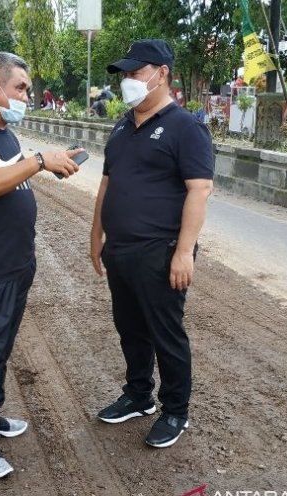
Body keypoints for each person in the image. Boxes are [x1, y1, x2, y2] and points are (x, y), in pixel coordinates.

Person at [0, 51, 84, 480]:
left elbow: (13, 179)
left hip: (16, 265)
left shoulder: (6, 134)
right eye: (20, 87)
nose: (27, 95)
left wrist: (48, 166)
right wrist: (40, 160)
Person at [90, 39, 214, 448]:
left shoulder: (186, 127)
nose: (128, 80)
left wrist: (183, 252)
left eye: (136, 72)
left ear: (162, 74)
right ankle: (138, 395)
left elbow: (199, 190)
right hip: (121, 250)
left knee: (166, 333)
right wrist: (96, 235)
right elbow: (107, 183)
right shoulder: (123, 126)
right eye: (125, 74)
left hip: (160, 252)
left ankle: (175, 410)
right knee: (130, 329)